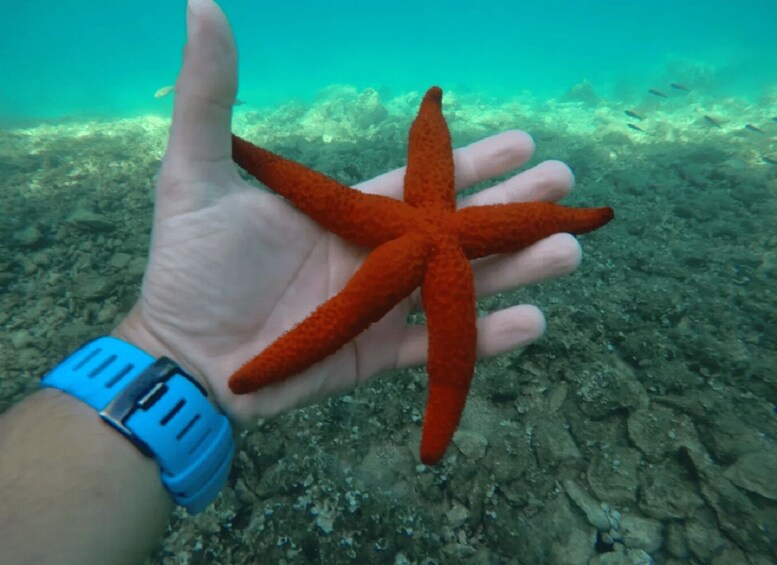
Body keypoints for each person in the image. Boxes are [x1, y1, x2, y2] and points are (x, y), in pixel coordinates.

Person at [0, 0, 590, 563]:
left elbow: (333, 195)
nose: (429, 116)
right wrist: (183, 356)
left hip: (399, 259)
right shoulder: (430, 230)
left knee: (367, 308)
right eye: (428, 109)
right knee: (364, 303)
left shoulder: (422, 227)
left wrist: (172, 355)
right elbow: (320, 194)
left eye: (427, 109)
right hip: (386, 270)